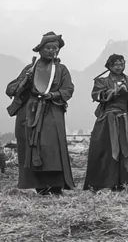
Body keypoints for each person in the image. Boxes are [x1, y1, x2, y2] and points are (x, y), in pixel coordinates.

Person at [4, 32, 75, 195]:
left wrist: (53, 95)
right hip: (29, 112)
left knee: (51, 148)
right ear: (40, 49)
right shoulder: (30, 68)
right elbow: (11, 89)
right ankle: (39, 186)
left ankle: (56, 185)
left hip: (52, 112)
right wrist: (25, 81)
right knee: (31, 146)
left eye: (55, 48)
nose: (52, 51)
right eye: (48, 47)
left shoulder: (61, 69)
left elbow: (68, 89)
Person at [83, 54, 128, 191]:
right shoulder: (101, 81)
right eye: (116, 64)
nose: (119, 67)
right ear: (109, 66)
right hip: (107, 120)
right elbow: (96, 95)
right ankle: (105, 183)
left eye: (121, 64)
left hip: (126, 119)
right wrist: (112, 93)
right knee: (105, 151)